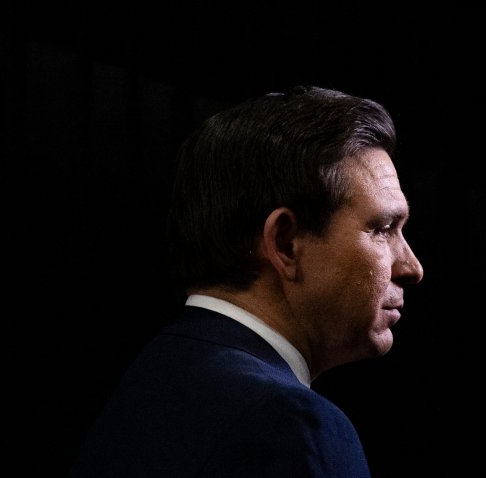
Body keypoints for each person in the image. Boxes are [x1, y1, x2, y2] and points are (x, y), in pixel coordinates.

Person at [70, 85, 424, 477]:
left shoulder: (151, 380)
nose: (412, 266)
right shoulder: (290, 425)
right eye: (383, 228)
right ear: (285, 243)